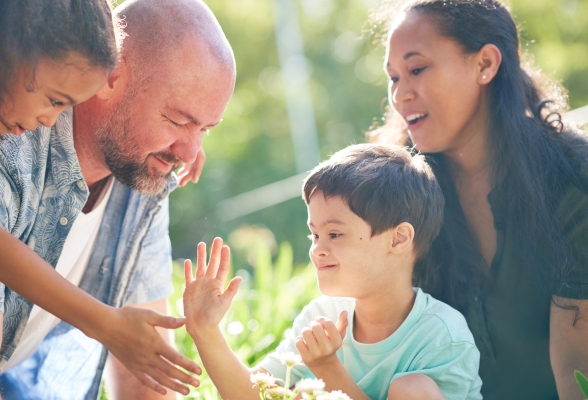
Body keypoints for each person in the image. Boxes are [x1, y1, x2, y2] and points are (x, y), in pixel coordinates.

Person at [0, 0, 235, 399]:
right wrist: (105, 322)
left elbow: (146, 372)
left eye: (205, 129)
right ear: (111, 77)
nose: (190, 155)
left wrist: (179, 134)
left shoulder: (140, 165)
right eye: (178, 119)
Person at [370, 0, 588, 398]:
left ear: (485, 63)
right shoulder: (396, 197)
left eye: (417, 69)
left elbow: (575, 372)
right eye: (393, 78)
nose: (400, 95)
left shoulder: (572, 181)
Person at [182, 144, 482, 400]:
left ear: (399, 238)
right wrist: (205, 331)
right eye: (314, 235)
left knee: (412, 389)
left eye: (335, 235)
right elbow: (254, 394)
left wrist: (327, 368)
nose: (317, 250)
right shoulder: (322, 316)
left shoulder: (442, 336)